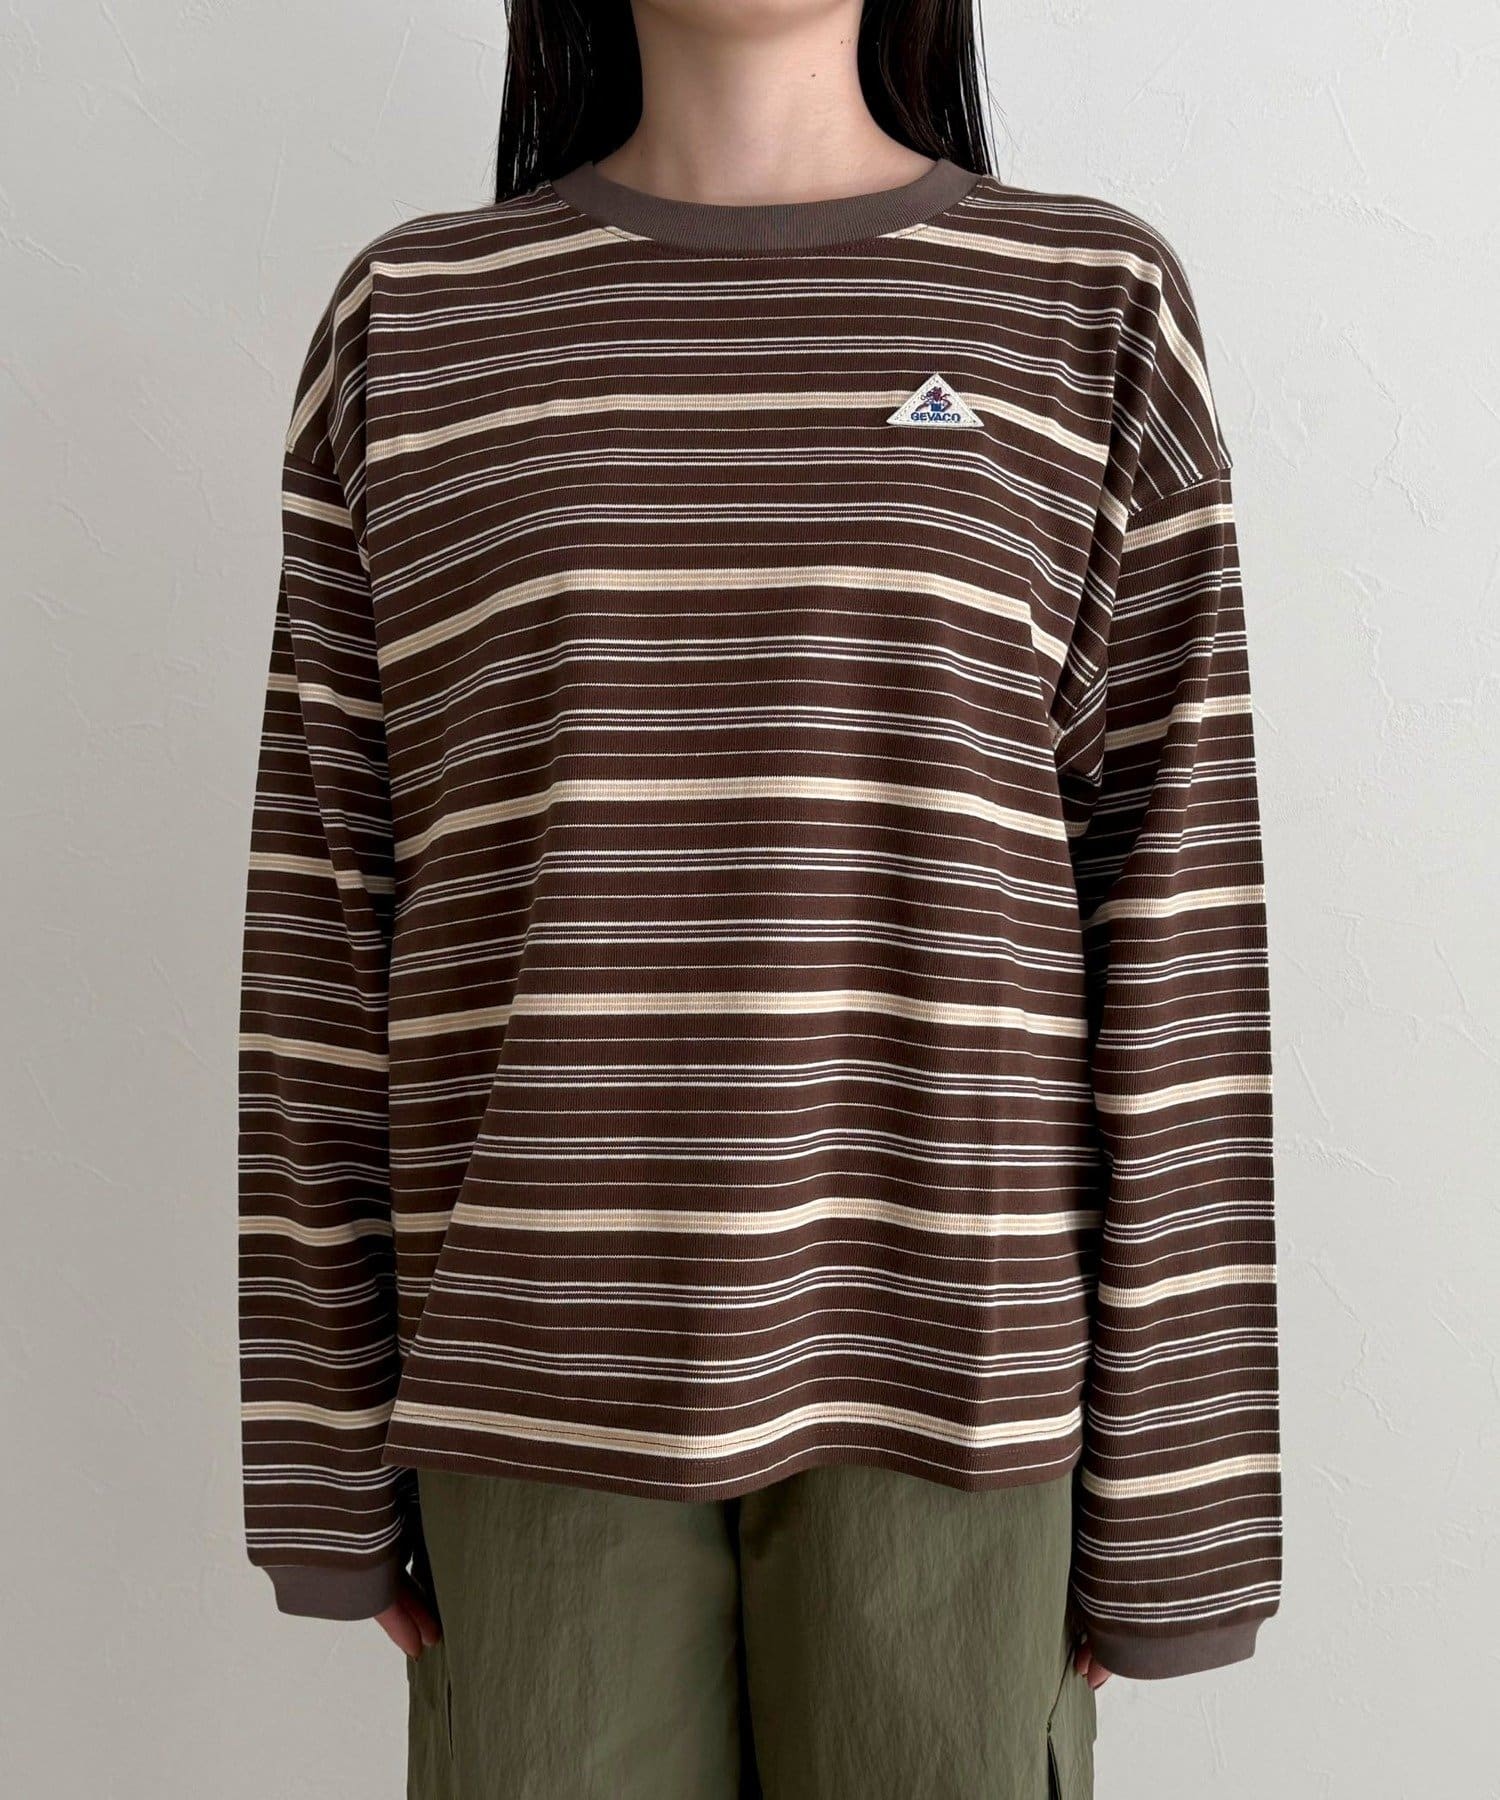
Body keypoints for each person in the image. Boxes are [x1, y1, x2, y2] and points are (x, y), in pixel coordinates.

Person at [236, 1, 1283, 1793]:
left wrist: (1178, 1499)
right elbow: (328, 922)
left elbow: (1174, 916)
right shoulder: (412, 324)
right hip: (531, 1395)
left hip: (957, 1391)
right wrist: (325, 1459)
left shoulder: (1086, 305)